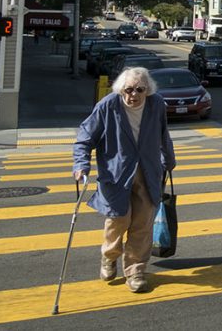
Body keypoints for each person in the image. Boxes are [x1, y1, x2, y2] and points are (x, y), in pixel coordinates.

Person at [72, 66, 176, 293]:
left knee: (143, 223)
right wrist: (81, 164)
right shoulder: (108, 105)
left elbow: (162, 134)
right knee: (118, 219)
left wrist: (169, 158)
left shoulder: (156, 104)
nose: (134, 95)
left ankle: (136, 270)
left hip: (149, 172)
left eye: (140, 90)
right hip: (116, 174)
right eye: (129, 90)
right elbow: (85, 137)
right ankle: (109, 256)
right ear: (121, 89)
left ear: (148, 90)